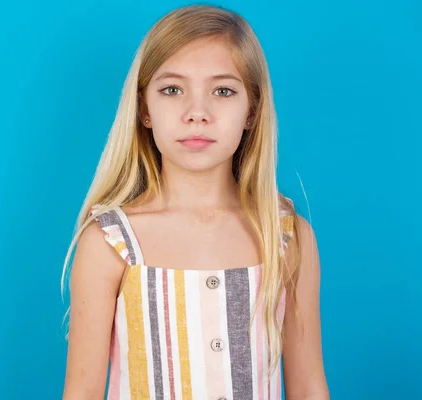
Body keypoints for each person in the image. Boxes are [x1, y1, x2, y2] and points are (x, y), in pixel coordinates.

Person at [61, 4, 330, 400]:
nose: (197, 113)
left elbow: (309, 388)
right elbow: (81, 392)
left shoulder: (287, 237)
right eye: (172, 89)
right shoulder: (109, 243)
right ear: (145, 108)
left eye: (223, 91)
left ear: (251, 110)